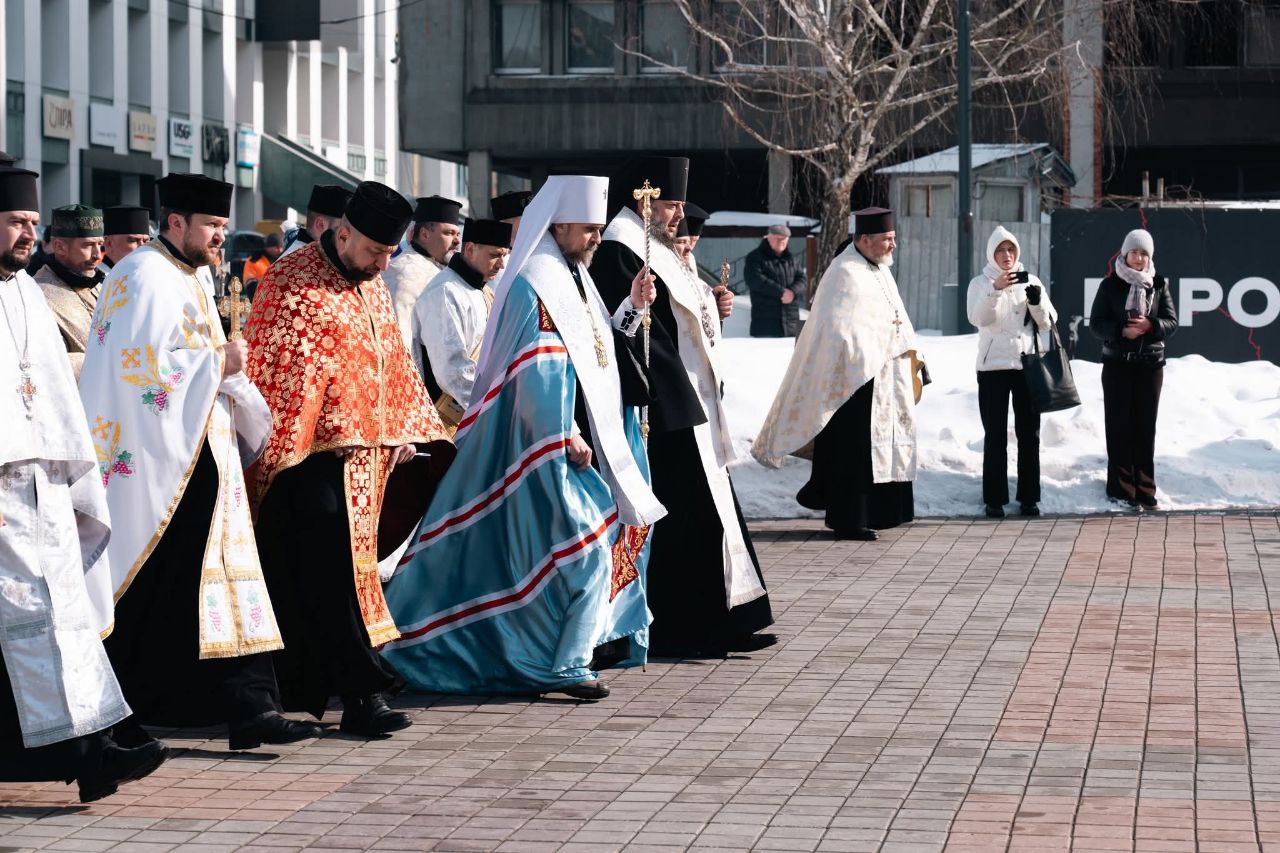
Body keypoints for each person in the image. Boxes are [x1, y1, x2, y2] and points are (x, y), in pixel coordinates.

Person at [382, 175, 665, 700]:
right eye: (588, 229)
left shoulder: (573, 276)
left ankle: (552, 656)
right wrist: (564, 434)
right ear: (559, 225)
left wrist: (631, 307)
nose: (596, 239)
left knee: (549, 556)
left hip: (565, 444)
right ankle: (566, 663)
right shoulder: (538, 280)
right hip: (535, 450)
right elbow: (536, 373)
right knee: (585, 548)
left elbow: (597, 353)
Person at [79, 173, 318, 751]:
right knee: (168, 582)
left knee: (219, 579)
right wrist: (218, 361)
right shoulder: (143, 276)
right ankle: (170, 708)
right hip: (162, 458)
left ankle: (248, 706)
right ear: (176, 223)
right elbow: (138, 373)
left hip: (204, 449)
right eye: (211, 226)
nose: (220, 236)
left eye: (222, 225)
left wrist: (225, 375)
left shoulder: (190, 275)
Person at [245, 181, 452, 735]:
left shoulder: (374, 284)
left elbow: (391, 359)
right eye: (374, 251)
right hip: (299, 459)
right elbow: (276, 372)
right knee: (325, 571)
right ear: (341, 233)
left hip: (363, 460)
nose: (383, 263)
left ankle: (352, 695)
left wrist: (400, 427)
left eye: (390, 253)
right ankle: (365, 691)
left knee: (346, 576)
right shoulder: (290, 282)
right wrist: (319, 429)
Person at [0, 164, 168, 802]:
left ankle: (97, 747)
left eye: (32, 222)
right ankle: (91, 753)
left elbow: (52, 391)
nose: (29, 233)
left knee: (63, 617)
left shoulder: (22, 292)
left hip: (40, 486)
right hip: (2, 491)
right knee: (30, 622)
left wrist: (73, 476)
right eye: (17, 221)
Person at [592, 156, 773, 657]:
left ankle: (734, 618)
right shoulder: (620, 251)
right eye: (671, 204)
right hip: (662, 407)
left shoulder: (659, 247)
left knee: (715, 512)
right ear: (644, 201)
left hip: (689, 400)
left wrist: (713, 305)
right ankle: (693, 628)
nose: (678, 215)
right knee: (690, 520)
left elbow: (683, 319)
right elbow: (625, 329)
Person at [754, 207, 918, 541]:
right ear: (865, 239)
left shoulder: (878, 269)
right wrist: (863, 355)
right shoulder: (845, 271)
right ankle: (849, 520)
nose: (892, 246)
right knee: (853, 453)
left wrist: (913, 355)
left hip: (882, 378)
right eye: (887, 239)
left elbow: (894, 317)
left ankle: (883, 513)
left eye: (893, 239)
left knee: (878, 448)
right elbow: (837, 326)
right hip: (851, 380)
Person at [966, 226, 1058, 518]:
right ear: (991, 254)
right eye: (1000, 251)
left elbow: (1048, 323)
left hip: (1025, 365)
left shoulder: (1031, 280)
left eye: (1011, 250)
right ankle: (994, 499)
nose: (1006, 256)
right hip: (993, 367)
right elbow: (978, 318)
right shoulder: (980, 283)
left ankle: (1029, 498)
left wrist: (1037, 301)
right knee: (994, 435)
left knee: (1029, 434)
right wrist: (995, 289)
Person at [1089, 228, 1177, 509]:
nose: (1138, 258)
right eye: (1134, 252)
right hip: (1117, 364)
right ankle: (1120, 489)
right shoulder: (1109, 285)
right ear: (1124, 254)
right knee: (1118, 427)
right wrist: (1119, 331)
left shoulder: (1160, 285)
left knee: (1144, 428)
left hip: (1150, 366)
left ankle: (1145, 488)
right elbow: (1096, 323)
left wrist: (1150, 326)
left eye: (1143, 253)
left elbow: (1172, 322)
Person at [411, 217, 512, 434]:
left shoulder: (485, 292)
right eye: (494, 255)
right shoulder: (445, 292)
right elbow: (452, 368)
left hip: (476, 414)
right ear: (469, 249)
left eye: (504, 255)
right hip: (445, 420)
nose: (501, 264)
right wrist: (492, 409)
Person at [34, 204, 105, 379]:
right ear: (59, 247)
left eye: (100, 245)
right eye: (88, 245)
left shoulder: (102, 286)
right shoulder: (37, 295)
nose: (97, 255)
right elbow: (42, 363)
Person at [384, 195, 463, 351]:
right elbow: (402, 339)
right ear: (425, 235)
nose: (457, 241)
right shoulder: (404, 272)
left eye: (458, 234)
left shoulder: (438, 266)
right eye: (449, 233)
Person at [744, 223, 806, 338]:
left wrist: (792, 292)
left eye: (785, 239)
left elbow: (802, 280)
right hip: (766, 324)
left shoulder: (792, 259)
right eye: (778, 238)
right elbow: (755, 280)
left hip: (791, 323)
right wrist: (781, 292)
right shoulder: (754, 257)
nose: (781, 242)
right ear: (768, 237)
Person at [280, 184, 353, 259]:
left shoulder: (299, 256)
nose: (346, 239)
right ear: (320, 225)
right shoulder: (303, 263)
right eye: (340, 230)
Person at [99, 205, 152, 274]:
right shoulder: (94, 282)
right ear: (109, 243)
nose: (142, 247)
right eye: (133, 240)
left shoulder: (149, 275)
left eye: (146, 241)